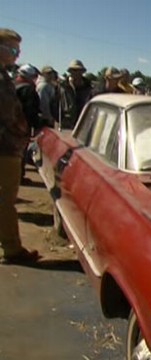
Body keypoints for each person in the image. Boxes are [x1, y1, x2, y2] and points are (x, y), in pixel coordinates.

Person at [0, 28, 39, 264]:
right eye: (12, 50)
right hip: (5, 146)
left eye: (18, 50)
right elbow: (9, 113)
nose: (16, 55)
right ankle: (12, 249)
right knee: (5, 200)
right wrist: (23, 131)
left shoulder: (5, 75)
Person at [14, 63, 42, 184]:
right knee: (19, 154)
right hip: (20, 127)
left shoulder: (11, 85)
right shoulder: (28, 89)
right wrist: (37, 126)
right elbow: (31, 111)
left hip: (8, 126)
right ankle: (18, 177)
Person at [59, 59, 92, 129]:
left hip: (83, 126)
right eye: (73, 70)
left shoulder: (89, 88)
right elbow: (55, 106)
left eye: (79, 70)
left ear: (82, 72)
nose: (76, 73)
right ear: (70, 72)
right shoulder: (62, 87)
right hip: (67, 126)